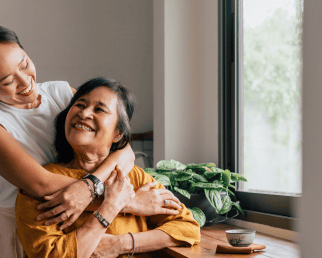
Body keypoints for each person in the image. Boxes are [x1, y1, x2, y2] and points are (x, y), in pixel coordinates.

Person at [0, 22, 182, 258]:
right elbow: (40, 185)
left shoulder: (62, 93)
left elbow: (124, 151)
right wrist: (127, 203)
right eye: (7, 81)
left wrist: (90, 186)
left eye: (24, 65)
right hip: (20, 231)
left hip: (76, 223)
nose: (25, 82)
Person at [15, 77, 201, 258]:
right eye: (80, 104)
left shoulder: (134, 177)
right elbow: (50, 254)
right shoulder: (40, 183)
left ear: (118, 133)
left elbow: (187, 228)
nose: (85, 113)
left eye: (99, 109)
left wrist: (121, 244)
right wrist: (110, 207)